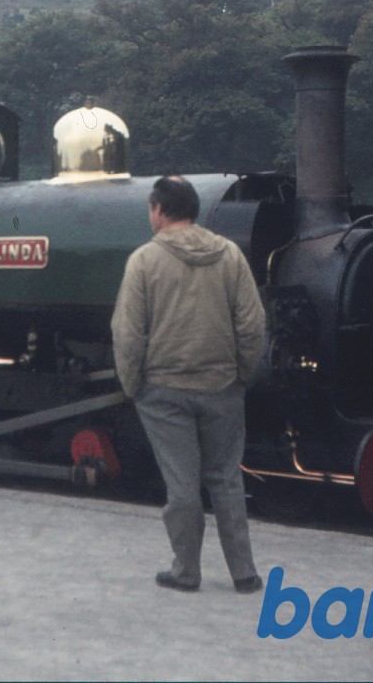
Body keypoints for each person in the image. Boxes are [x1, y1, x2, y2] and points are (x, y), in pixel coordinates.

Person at [111, 175, 267, 594]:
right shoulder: (230, 256)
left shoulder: (144, 262)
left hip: (164, 392)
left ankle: (187, 572)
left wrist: (132, 385)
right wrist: (242, 375)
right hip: (221, 387)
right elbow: (252, 326)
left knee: (182, 485)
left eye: (151, 209)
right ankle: (245, 573)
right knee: (226, 478)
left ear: (159, 211)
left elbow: (128, 333)